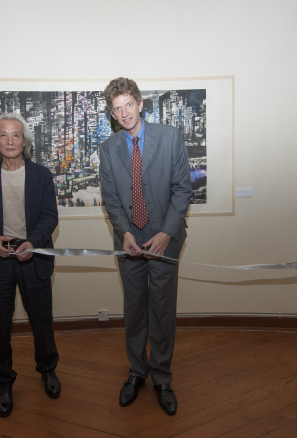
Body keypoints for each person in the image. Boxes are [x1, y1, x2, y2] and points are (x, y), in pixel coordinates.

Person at [99, 77, 192, 415]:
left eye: (128, 104)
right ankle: (137, 371)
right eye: (116, 108)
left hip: (164, 240)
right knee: (135, 308)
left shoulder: (169, 137)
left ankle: (162, 377)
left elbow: (183, 189)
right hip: (129, 242)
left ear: (140, 104)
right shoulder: (108, 149)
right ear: (112, 113)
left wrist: (167, 232)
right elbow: (110, 198)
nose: (123, 113)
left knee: (162, 310)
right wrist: (123, 232)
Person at [0, 112, 60, 418]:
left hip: (33, 258)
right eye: (3, 135)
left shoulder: (41, 175)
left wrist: (33, 242)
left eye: (16, 135)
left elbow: (49, 216)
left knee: (42, 323)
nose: (10, 141)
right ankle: (3, 383)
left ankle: (47, 371)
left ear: (25, 141)